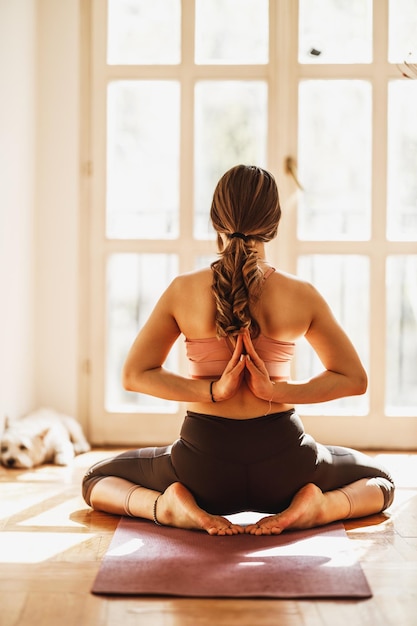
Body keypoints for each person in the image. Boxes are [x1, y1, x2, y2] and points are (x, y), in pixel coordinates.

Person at [82, 164, 394, 536]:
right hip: (287, 467)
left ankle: (165, 507)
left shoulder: (183, 290)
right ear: (274, 224)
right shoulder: (301, 294)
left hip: (201, 468)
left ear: (216, 220)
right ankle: (320, 508)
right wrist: (277, 391)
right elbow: (354, 379)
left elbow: (135, 375)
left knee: (95, 477)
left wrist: (213, 391)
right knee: (381, 479)